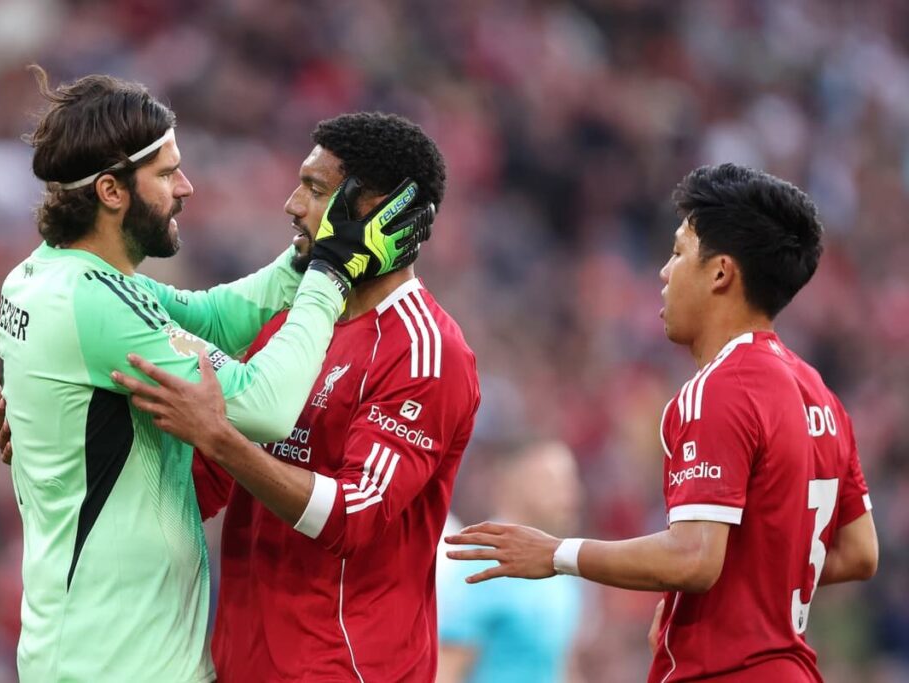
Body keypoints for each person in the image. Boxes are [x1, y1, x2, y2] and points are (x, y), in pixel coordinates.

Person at [0, 68, 430, 682]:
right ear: (112, 192)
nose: (187, 187)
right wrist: (331, 275)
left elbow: (212, 315)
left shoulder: (50, 278)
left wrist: (313, 247)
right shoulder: (91, 305)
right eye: (167, 173)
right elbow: (266, 407)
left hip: (90, 647)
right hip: (119, 661)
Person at [446, 164, 879, 682]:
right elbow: (859, 553)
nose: (663, 272)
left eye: (677, 253)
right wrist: (739, 592)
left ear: (720, 272)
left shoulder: (721, 388)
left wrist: (556, 552)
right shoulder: (822, 398)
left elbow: (695, 558)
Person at [110, 112, 481, 681]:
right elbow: (197, 487)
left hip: (345, 670)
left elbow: (355, 516)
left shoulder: (426, 351)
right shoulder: (292, 330)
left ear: (375, 207)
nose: (292, 204)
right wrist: (70, 432)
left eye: (314, 188)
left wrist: (219, 435)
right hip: (241, 663)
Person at [435, 440, 586, 683]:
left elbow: (559, 666)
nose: (570, 495)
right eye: (552, 481)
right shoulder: (479, 564)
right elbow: (445, 671)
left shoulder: (563, 567)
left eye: (570, 482)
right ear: (511, 482)